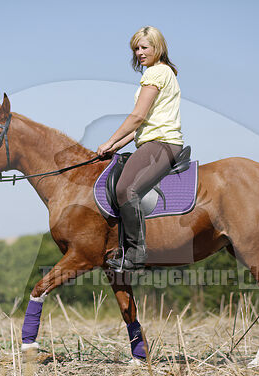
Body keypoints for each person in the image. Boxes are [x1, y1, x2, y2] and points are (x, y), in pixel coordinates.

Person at [97, 26, 184, 271]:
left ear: (158, 48)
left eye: (144, 47)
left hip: (162, 143)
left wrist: (108, 140)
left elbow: (137, 117)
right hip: (152, 140)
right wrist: (113, 146)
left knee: (126, 189)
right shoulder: (163, 73)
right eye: (136, 48)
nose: (139, 52)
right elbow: (140, 128)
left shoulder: (156, 74)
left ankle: (136, 253)